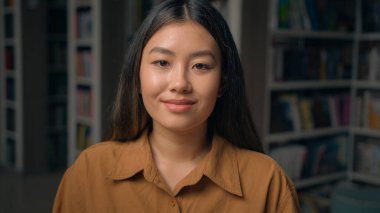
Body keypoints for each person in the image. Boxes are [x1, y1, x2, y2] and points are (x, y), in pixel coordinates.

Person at [53, 0, 300, 212]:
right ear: (137, 77)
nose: (180, 83)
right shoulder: (88, 172)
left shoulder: (268, 182)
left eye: (200, 66)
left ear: (223, 82)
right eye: (162, 62)